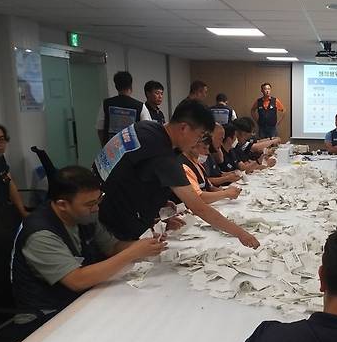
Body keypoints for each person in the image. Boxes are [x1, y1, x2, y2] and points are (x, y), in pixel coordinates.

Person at [95, 99, 259, 248]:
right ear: (184, 128)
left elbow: (133, 174)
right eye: (199, 136)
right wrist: (241, 234)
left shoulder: (145, 127)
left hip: (102, 206)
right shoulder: (162, 153)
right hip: (113, 228)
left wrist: (156, 204)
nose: (198, 142)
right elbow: (199, 207)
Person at [11, 166, 166, 321]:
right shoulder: (41, 235)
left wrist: (146, 244)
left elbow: (112, 247)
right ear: (62, 205)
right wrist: (131, 253)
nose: (96, 208)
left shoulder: (84, 216)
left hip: (81, 299)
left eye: (99, 200)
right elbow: (77, 281)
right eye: (90, 204)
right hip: (46, 316)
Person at [0, 122, 29, 308]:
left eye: (1, 140)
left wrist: (22, 211)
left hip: (3, 210)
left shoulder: (0, 159)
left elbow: (9, 183)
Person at [178, 135, 242, 205]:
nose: (207, 152)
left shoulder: (198, 164)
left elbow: (210, 187)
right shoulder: (184, 166)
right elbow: (198, 197)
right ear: (192, 147)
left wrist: (228, 191)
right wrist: (225, 193)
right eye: (204, 148)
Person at [97, 71, 151, 146]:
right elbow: (147, 130)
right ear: (131, 86)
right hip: (133, 149)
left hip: (111, 149)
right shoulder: (140, 106)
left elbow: (100, 129)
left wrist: (104, 146)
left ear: (116, 86)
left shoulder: (106, 104)